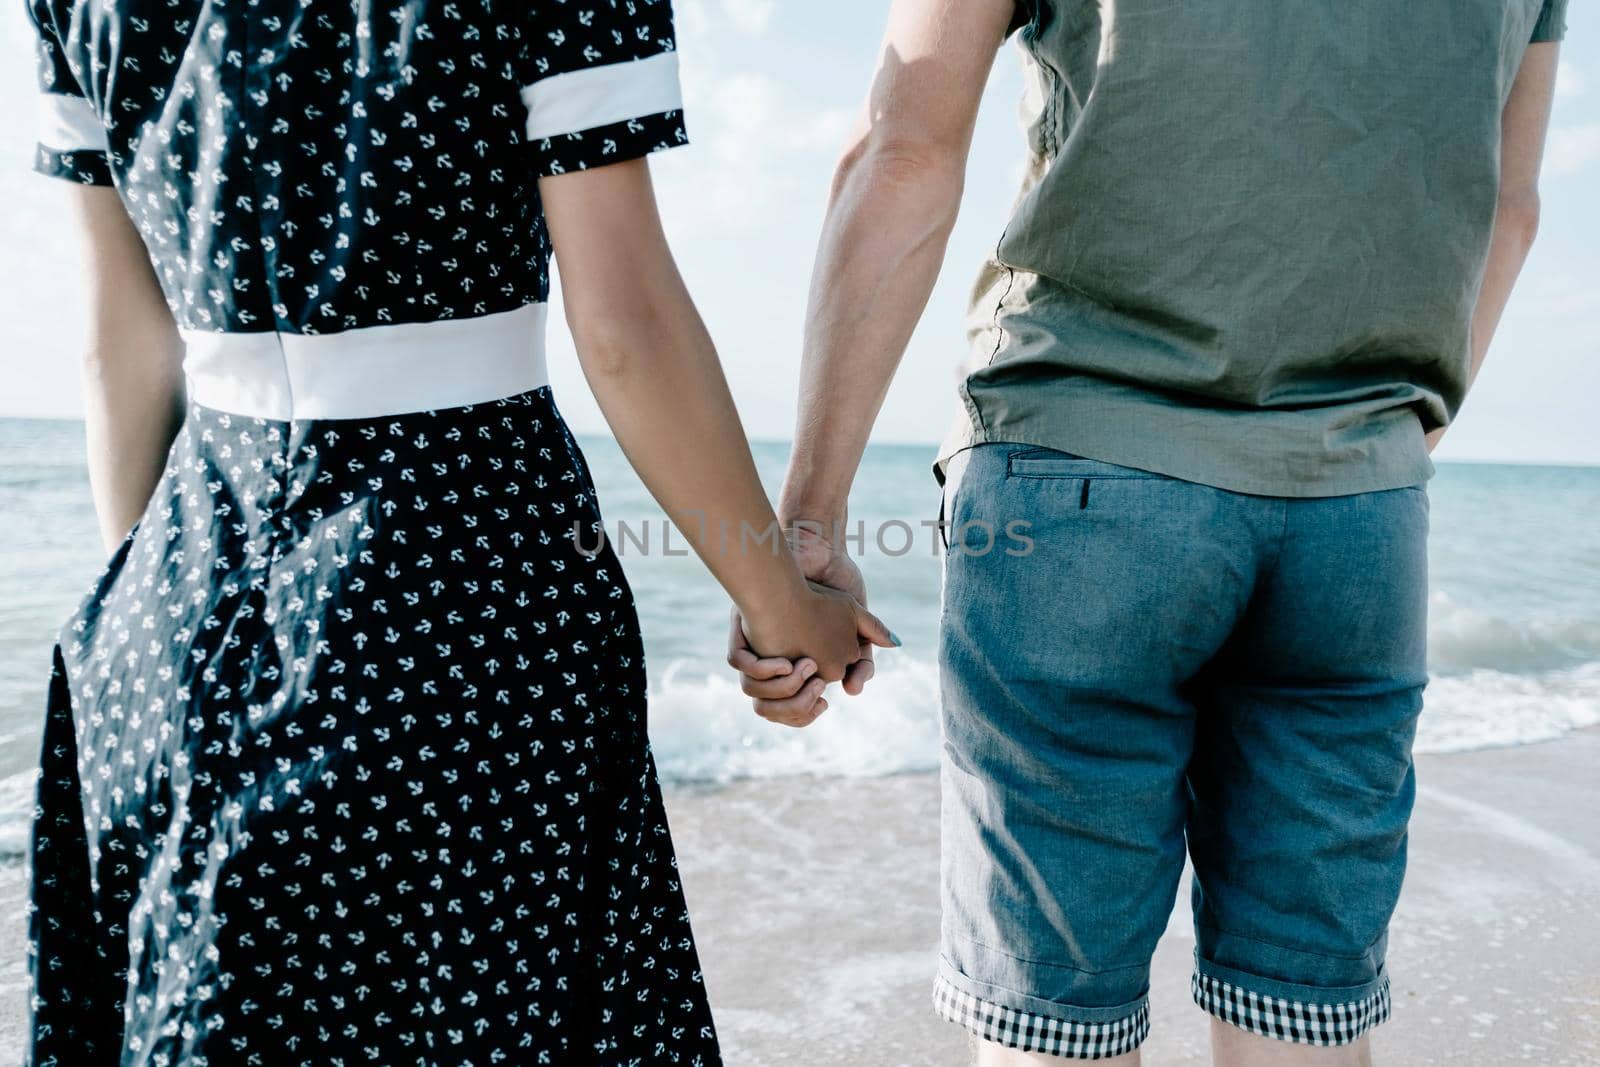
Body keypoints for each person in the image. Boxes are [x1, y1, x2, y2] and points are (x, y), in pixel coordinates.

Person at [20, 0, 892, 1062]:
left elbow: (121, 341)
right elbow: (625, 327)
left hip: (173, 599)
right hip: (468, 587)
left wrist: (175, 625)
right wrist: (782, 605)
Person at [729, 0, 1565, 1062]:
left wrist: (806, 523)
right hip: (1359, 509)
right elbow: (1512, 208)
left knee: (1053, 1025)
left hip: (1078, 467)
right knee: (1299, 1019)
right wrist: (1372, 452)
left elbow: (903, 148)